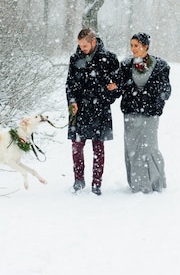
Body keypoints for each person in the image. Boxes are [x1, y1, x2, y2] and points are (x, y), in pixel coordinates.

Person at [112, 32, 171, 193]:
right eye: (131, 45)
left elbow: (165, 89)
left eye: (136, 45)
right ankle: (138, 184)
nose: (133, 49)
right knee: (132, 148)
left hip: (150, 114)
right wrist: (113, 87)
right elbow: (118, 86)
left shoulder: (160, 66)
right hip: (131, 113)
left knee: (150, 148)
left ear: (145, 46)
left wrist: (157, 105)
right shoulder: (125, 65)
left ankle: (155, 183)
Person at [65, 28, 120, 195]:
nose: (82, 48)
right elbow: (69, 84)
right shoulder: (75, 59)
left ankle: (97, 183)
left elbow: (118, 83)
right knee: (77, 146)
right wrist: (72, 101)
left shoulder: (109, 58)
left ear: (93, 42)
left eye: (84, 45)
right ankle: (78, 180)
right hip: (79, 108)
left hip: (99, 108)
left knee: (98, 147)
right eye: (80, 45)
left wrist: (111, 92)